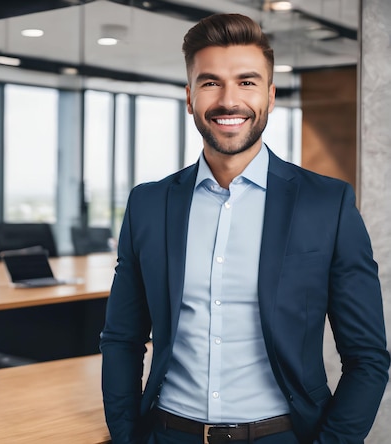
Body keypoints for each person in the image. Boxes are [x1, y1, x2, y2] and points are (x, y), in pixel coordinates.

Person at [100, 13, 389, 444]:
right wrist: (126, 436)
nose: (229, 100)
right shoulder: (148, 203)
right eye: (211, 82)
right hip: (168, 433)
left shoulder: (327, 204)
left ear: (270, 96)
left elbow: (367, 357)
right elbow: (122, 339)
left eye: (247, 82)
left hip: (281, 435)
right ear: (190, 96)